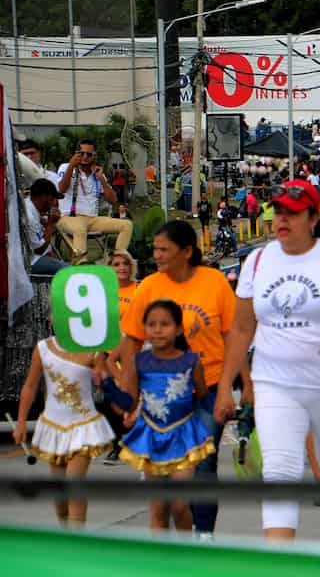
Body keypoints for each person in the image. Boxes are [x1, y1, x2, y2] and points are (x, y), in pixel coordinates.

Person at [214, 179, 320, 542]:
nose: (282, 220)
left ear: (313, 218)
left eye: (292, 214)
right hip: (275, 381)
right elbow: (241, 327)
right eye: (278, 212)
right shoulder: (258, 260)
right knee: (280, 471)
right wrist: (225, 387)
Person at [114, 220, 235, 538]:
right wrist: (128, 390)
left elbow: (233, 336)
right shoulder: (150, 286)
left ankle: (203, 533)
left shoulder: (215, 282)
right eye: (155, 249)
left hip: (207, 387)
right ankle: (172, 536)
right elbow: (131, 341)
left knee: (204, 462)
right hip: (161, 393)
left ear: (187, 252)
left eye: (163, 250)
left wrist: (232, 389)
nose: (156, 255)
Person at [118, 299, 214, 531]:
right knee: (158, 507)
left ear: (179, 328)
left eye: (164, 324)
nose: (157, 330)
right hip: (151, 438)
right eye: (151, 324)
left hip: (184, 436)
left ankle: (183, 554)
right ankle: (160, 561)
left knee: (180, 505)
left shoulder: (191, 361)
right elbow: (128, 400)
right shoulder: (138, 361)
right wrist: (109, 389)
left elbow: (201, 394)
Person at [14, 334, 115, 526]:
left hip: (84, 426)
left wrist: (101, 377)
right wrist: (21, 422)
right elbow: (30, 385)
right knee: (60, 492)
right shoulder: (43, 348)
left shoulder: (93, 349)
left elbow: (104, 377)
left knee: (74, 483)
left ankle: (77, 543)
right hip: (53, 427)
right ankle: (65, 534)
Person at [55, 139, 132, 262]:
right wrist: (71, 165)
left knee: (126, 225)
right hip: (69, 217)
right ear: (76, 153)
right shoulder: (66, 167)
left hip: (92, 219)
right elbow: (61, 189)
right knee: (80, 228)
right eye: (81, 153)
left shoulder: (97, 173)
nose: (85, 157)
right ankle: (81, 267)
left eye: (89, 154)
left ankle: (118, 262)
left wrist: (101, 179)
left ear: (94, 155)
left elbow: (113, 200)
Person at [100, 249, 140, 465]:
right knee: (111, 398)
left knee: (134, 398)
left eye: (125, 263)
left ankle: (135, 441)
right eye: (116, 264)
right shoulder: (104, 292)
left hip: (133, 352)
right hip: (108, 351)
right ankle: (115, 445)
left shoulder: (139, 290)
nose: (122, 268)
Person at [25, 177, 68, 275]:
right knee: (68, 271)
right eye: (53, 199)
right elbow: (39, 249)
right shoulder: (29, 216)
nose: (54, 203)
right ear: (44, 197)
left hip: (36, 256)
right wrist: (50, 224)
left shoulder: (31, 207)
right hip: (31, 261)